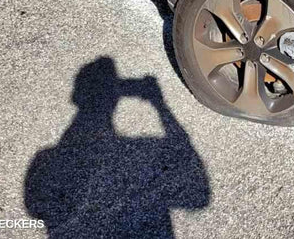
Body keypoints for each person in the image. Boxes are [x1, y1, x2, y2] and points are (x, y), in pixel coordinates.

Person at [25, 56, 210, 238]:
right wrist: (159, 105)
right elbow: (199, 194)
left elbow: (37, 210)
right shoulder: (142, 151)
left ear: (76, 97)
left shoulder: (47, 159)